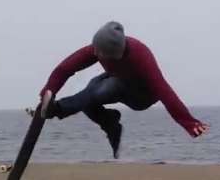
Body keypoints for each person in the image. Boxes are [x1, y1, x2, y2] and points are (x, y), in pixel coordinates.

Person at [36, 21, 209, 159]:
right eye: (95, 48)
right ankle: (111, 125)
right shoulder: (98, 47)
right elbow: (66, 67)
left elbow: (164, 91)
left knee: (95, 92)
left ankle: (57, 109)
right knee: (89, 93)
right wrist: (48, 91)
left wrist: (189, 123)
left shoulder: (141, 56)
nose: (95, 52)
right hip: (119, 80)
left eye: (100, 51)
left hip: (142, 96)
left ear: (116, 54)